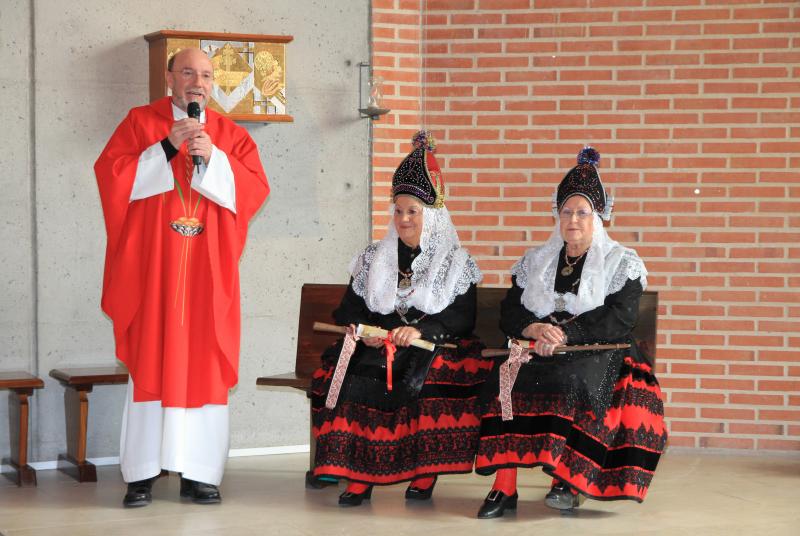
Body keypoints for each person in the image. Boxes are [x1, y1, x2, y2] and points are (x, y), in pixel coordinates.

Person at [94, 47, 269, 507]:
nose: (198, 81)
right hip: (154, 273)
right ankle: (141, 475)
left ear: (213, 84)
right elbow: (111, 177)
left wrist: (214, 159)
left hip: (206, 276)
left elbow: (253, 190)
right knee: (152, 359)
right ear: (169, 77)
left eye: (206, 75)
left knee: (204, 364)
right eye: (188, 71)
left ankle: (200, 475)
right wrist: (168, 146)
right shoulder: (140, 122)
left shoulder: (230, 134)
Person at [474, 147, 667, 519]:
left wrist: (565, 334)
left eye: (582, 212)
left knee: (573, 382)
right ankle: (504, 486)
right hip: (538, 346)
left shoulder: (621, 262)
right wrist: (533, 327)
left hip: (597, 350)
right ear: (557, 215)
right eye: (566, 211)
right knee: (504, 381)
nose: (573, 219)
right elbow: (510, 308)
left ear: (598, 217)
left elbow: (620, 318)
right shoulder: (535, 260)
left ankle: (565, 478)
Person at [310, 131, 489, 507]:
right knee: (350, 374)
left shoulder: (456, 263)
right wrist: (366, 333)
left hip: (432, 346)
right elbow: (350, 308)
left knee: (426, 382)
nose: (404, 219)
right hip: (383, 345)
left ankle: (424, 472)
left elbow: (461, 317)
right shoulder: (374, 256)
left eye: (413, 211)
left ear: (433, 216)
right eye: (399, 210)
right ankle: (358, 474)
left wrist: (420, 330)